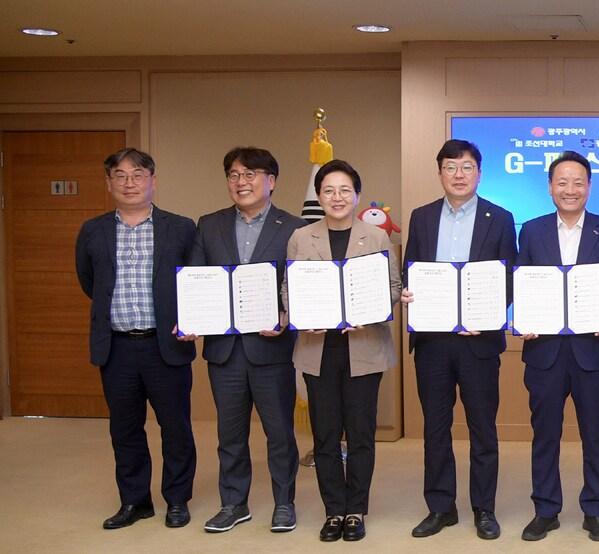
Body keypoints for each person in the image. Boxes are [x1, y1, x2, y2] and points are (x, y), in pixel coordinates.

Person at [182, 147, 305, 533]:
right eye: (234, 175)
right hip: (225, 349)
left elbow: (301, 284)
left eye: (251, 174)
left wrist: (287, 317)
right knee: (229, 434)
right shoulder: (209, 224)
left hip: (272, 347)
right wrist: (191, 318)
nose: (241, 182)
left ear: (271, 181)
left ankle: (284, 502)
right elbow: (197, 279)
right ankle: (234, 503)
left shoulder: (294, 227)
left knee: (279, 433)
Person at [400, 139, 516, 540]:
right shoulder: (422, 216)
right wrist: (409, 292)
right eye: (451, 167)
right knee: (436, 426)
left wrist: (486, 314)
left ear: (479, 173)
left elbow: (509, 278)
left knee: (482, 427)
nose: (459, 175)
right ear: (440, 173)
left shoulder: (500, 218)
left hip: (479, 341)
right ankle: (441, 507)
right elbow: (411, 269)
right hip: (432, 341)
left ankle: (484, 508)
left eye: (467, 167)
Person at [515, 151, 599, 542]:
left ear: (589, 187)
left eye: (578, 182)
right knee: (544, 434)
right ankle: (545, 510)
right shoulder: (531, 230)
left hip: (592, 351)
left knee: (595, 435)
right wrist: (523, 316)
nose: (570, 189)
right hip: (544, 351)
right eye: (562, 182)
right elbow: (522, 281)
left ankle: (595, 510)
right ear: (550, 187)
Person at [76, 147, 197, 530]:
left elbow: (194, 282)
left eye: (138, 174)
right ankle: (135, 501)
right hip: (116, 349)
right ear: (109, 183)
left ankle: (177, 500)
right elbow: (89, 281)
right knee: (125, 429)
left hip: (165, 347)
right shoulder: (93, 230)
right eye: (121, 175)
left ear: (153, 181)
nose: (130, 183)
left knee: (175, 428)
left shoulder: (181, 228)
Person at [286, 160, 402, 542]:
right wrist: (301, 317)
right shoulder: (302, 237)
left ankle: (356, 510)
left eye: (345, 190)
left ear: (357, 195)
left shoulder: (377, 237)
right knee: (325, 434)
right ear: (319, 196)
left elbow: (392, 287)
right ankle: (333, 510)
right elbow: (289, 289)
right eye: (329, 191)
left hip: (364, 347)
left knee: (361, 433)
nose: (337, 197)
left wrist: (369, 313)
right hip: (317, 349)